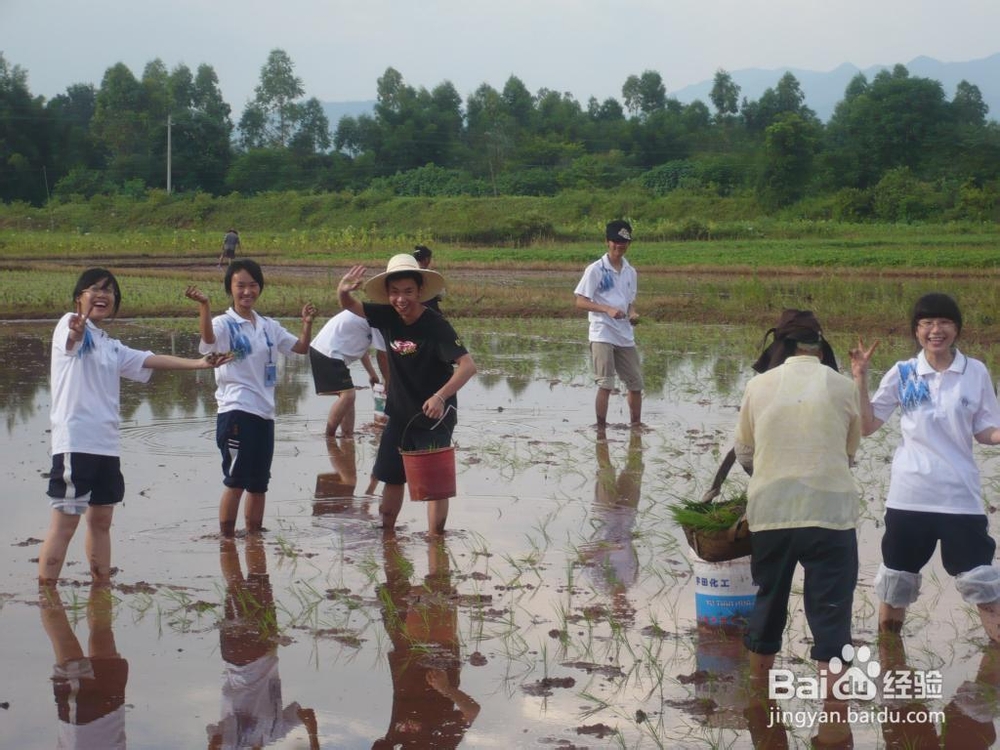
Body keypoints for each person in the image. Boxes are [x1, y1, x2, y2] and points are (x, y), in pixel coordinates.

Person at [38, 268, 229, 585]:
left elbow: (149, 359)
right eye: (94, 289)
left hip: (106, 446)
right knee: (65, 523)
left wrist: (199, 363)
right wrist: (75, 329)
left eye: (109, 290)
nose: (102, 294)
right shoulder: (68, 325)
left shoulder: (110, 345)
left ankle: (101, 588)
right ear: (79, 298)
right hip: (76, 442)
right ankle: (47, 598)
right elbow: (72, 341)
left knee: (101, 520)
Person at [850, 292, 1000, 641]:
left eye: (944, 322)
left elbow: (984, 431)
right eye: (927, 323)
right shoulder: (903, 373)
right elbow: (867, 426)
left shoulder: (975, 371)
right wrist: (860, 377)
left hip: (959, 498)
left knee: (984, 583)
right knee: (895, 584)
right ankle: (890, 664)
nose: (936, 330)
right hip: (910, 497)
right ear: (916, 331)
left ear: (956, 329)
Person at [734, 310, 861, 701]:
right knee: (832, 615)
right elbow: (849, 452)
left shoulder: (759, 386)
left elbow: (744, 451)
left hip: (773, 514)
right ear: (820, 347)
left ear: (783, 346)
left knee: (769, 603)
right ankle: (834, 716)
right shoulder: (843, 386)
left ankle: (759, 699)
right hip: (831, 517)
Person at [338, 254, 477, 535]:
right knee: (391, 476)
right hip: (400, 414)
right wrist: (342, 291)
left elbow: (467, 366)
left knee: (435, 487)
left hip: (434, 416)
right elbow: (351, 306)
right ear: (388, 294)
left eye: (408, 292)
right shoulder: (388, 315)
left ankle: (435, 541)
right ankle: (387, 536)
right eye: (395, 292)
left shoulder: (435, 325)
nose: (401, 299)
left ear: (420, 292)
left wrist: (440, 396)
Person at [185, 260, 317, 537]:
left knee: (259, 483)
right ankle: (227, 540)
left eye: (252, 285)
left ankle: (254, 537)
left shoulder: (269, 326)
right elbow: (208, 340)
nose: (247, 291)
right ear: (230, 289)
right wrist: (204, 306)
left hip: (264, 412)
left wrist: (306, 324)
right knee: (236, 480)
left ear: (260, 288)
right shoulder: (223, 323)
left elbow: (301, 349)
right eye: (240, 286)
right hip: (236, 409)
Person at [207, 535, 319, 750]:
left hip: (253, 654)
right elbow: (307, 714)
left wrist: (313, 739)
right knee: (245, 584)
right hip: (243, 655)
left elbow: (215, 741)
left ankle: (235, 539)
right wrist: (312, 740)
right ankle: (241, 538)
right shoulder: (273, 735)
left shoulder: (248, 741)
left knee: (251, 583)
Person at [373, 535, 480, 749]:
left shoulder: (397, 742)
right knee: (438, 583)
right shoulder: (441, 743)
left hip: (402, 651)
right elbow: (471, 711)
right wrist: (446, 689)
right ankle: (435, 535)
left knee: (395, 582)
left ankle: (389, 532)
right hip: (439, 651)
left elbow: (378, 745)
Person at [39, 582, 128, 749]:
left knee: (66, 644)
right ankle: (101, 578)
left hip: (81, 731)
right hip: (111, 722)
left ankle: (46, 586)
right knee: (103, 635)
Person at [574, 220, 643, 427]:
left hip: (624, 334)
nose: (619, 245)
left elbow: (630, 302)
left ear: (628, 244)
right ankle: (601, 427)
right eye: (615, 241)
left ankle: (636, 425)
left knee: (636, 384)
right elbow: (580, 301)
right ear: (607, 242)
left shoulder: (631, 271)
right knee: (606, 384)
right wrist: (606, 309)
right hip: (602, 333)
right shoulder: (595, 269)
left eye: (624, 241)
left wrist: (633, 313)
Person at [309, 309, 388, 437]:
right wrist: (388, 382)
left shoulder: (368, 317)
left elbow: (363, 349)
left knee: (348, 396)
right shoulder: (378, 318)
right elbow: (382, 355)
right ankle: (329, 436)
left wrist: (372, 374)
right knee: (348, 395)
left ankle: (347, 435)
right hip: (328, 352)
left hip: (325, 350)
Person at [412, 245, 442, 312]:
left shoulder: (408, 274)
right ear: (427, 259)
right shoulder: (432, 275)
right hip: (430, 310)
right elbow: (441, 295)